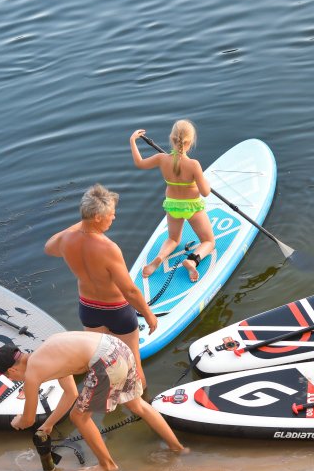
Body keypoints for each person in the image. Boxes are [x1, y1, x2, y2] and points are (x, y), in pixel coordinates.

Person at [0, 331, 186, 471]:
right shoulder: (46, 353)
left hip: (105, 361)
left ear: (11, 371)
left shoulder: (32, 372)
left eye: (10, 377)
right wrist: (49, 424)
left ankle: (107, 465)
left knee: (79, 417)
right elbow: (71, 394)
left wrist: (17, 421)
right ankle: (178, 448)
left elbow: (27, 420)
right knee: (137, 405)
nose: (15, 380)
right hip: (118, 348)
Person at [45, 184, 156, 389]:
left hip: (88, 309)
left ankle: (109, 399)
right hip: (117, 310)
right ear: (97, 217)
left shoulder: (66, 240)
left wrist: (81, 223)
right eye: (111, 214)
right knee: (132, 363)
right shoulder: (108, 248)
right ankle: (140, 403)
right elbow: (130, 290)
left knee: (103, 361)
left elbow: (48, 247)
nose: (113, 218)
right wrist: (148, 314)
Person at [129, 120, 215, 283]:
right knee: (208, 241)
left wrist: (132, 140)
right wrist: (204, 182)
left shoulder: (162, 159)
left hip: (172, 205)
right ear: (190, 142)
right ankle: (192, 261)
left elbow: (139, 163)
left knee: (174, 239)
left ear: (171, 138)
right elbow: (205, 192)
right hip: (192, 207)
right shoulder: (193, 164)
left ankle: (159, 258)